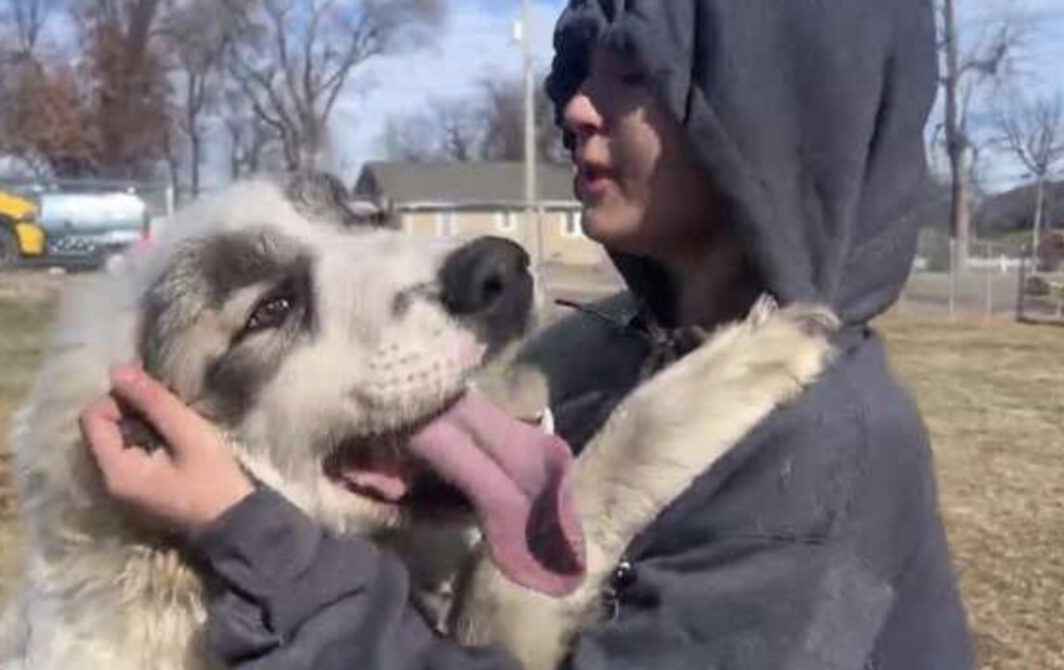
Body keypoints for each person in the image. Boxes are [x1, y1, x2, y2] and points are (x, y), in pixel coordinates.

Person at [81, 0, 976, 667]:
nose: (578, 104)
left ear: (782, 109)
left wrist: (253, 538)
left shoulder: (822, 452)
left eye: (635, 69)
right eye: (582, 66)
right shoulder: (601, 356)